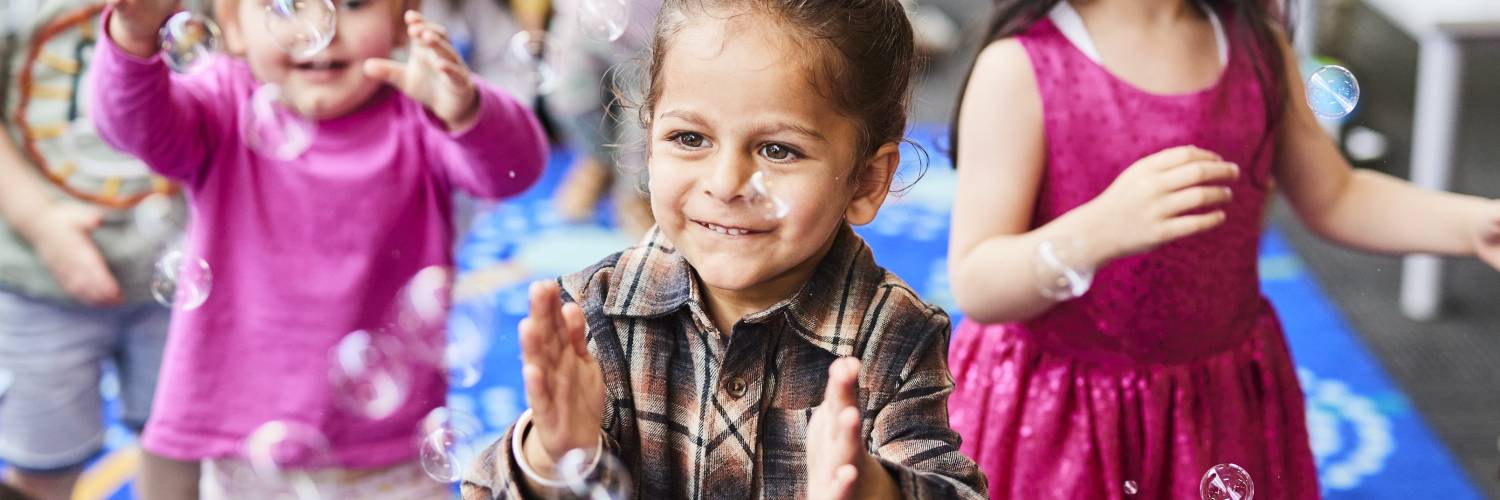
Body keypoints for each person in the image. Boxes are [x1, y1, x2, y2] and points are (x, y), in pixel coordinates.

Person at [944, 0, 1500, 498]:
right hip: (1064, 417)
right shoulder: (1021, 65)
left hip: (1217, 405)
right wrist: (1097, 231)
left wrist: (1475, 224)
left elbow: (1337, 195)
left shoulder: (1255, 43)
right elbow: (976, 280)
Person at [462, 0, 986, 498]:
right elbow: (487, 487)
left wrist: (877, 491)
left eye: (778, 150)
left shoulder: (895, 333)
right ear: (646, 141)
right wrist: (549, 457)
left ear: (867, 180)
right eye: (690, 138)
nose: (726, 182)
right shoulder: (596, 311)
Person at [90, 0, 548, 495]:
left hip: (393, 450)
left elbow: (514, 172)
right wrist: (133, 37)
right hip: (245, 443)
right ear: (233, 25)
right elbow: (131, 126)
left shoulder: (420, 114)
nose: (319, 30)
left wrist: (466, 110)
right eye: (285, 6)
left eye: (352, 5)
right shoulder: (223, 100)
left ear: (402, 16)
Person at [0, 1, 188, 498]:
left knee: (178, 451)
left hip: (183, 273)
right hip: (38, 282)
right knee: (42, 464)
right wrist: (42, 226)